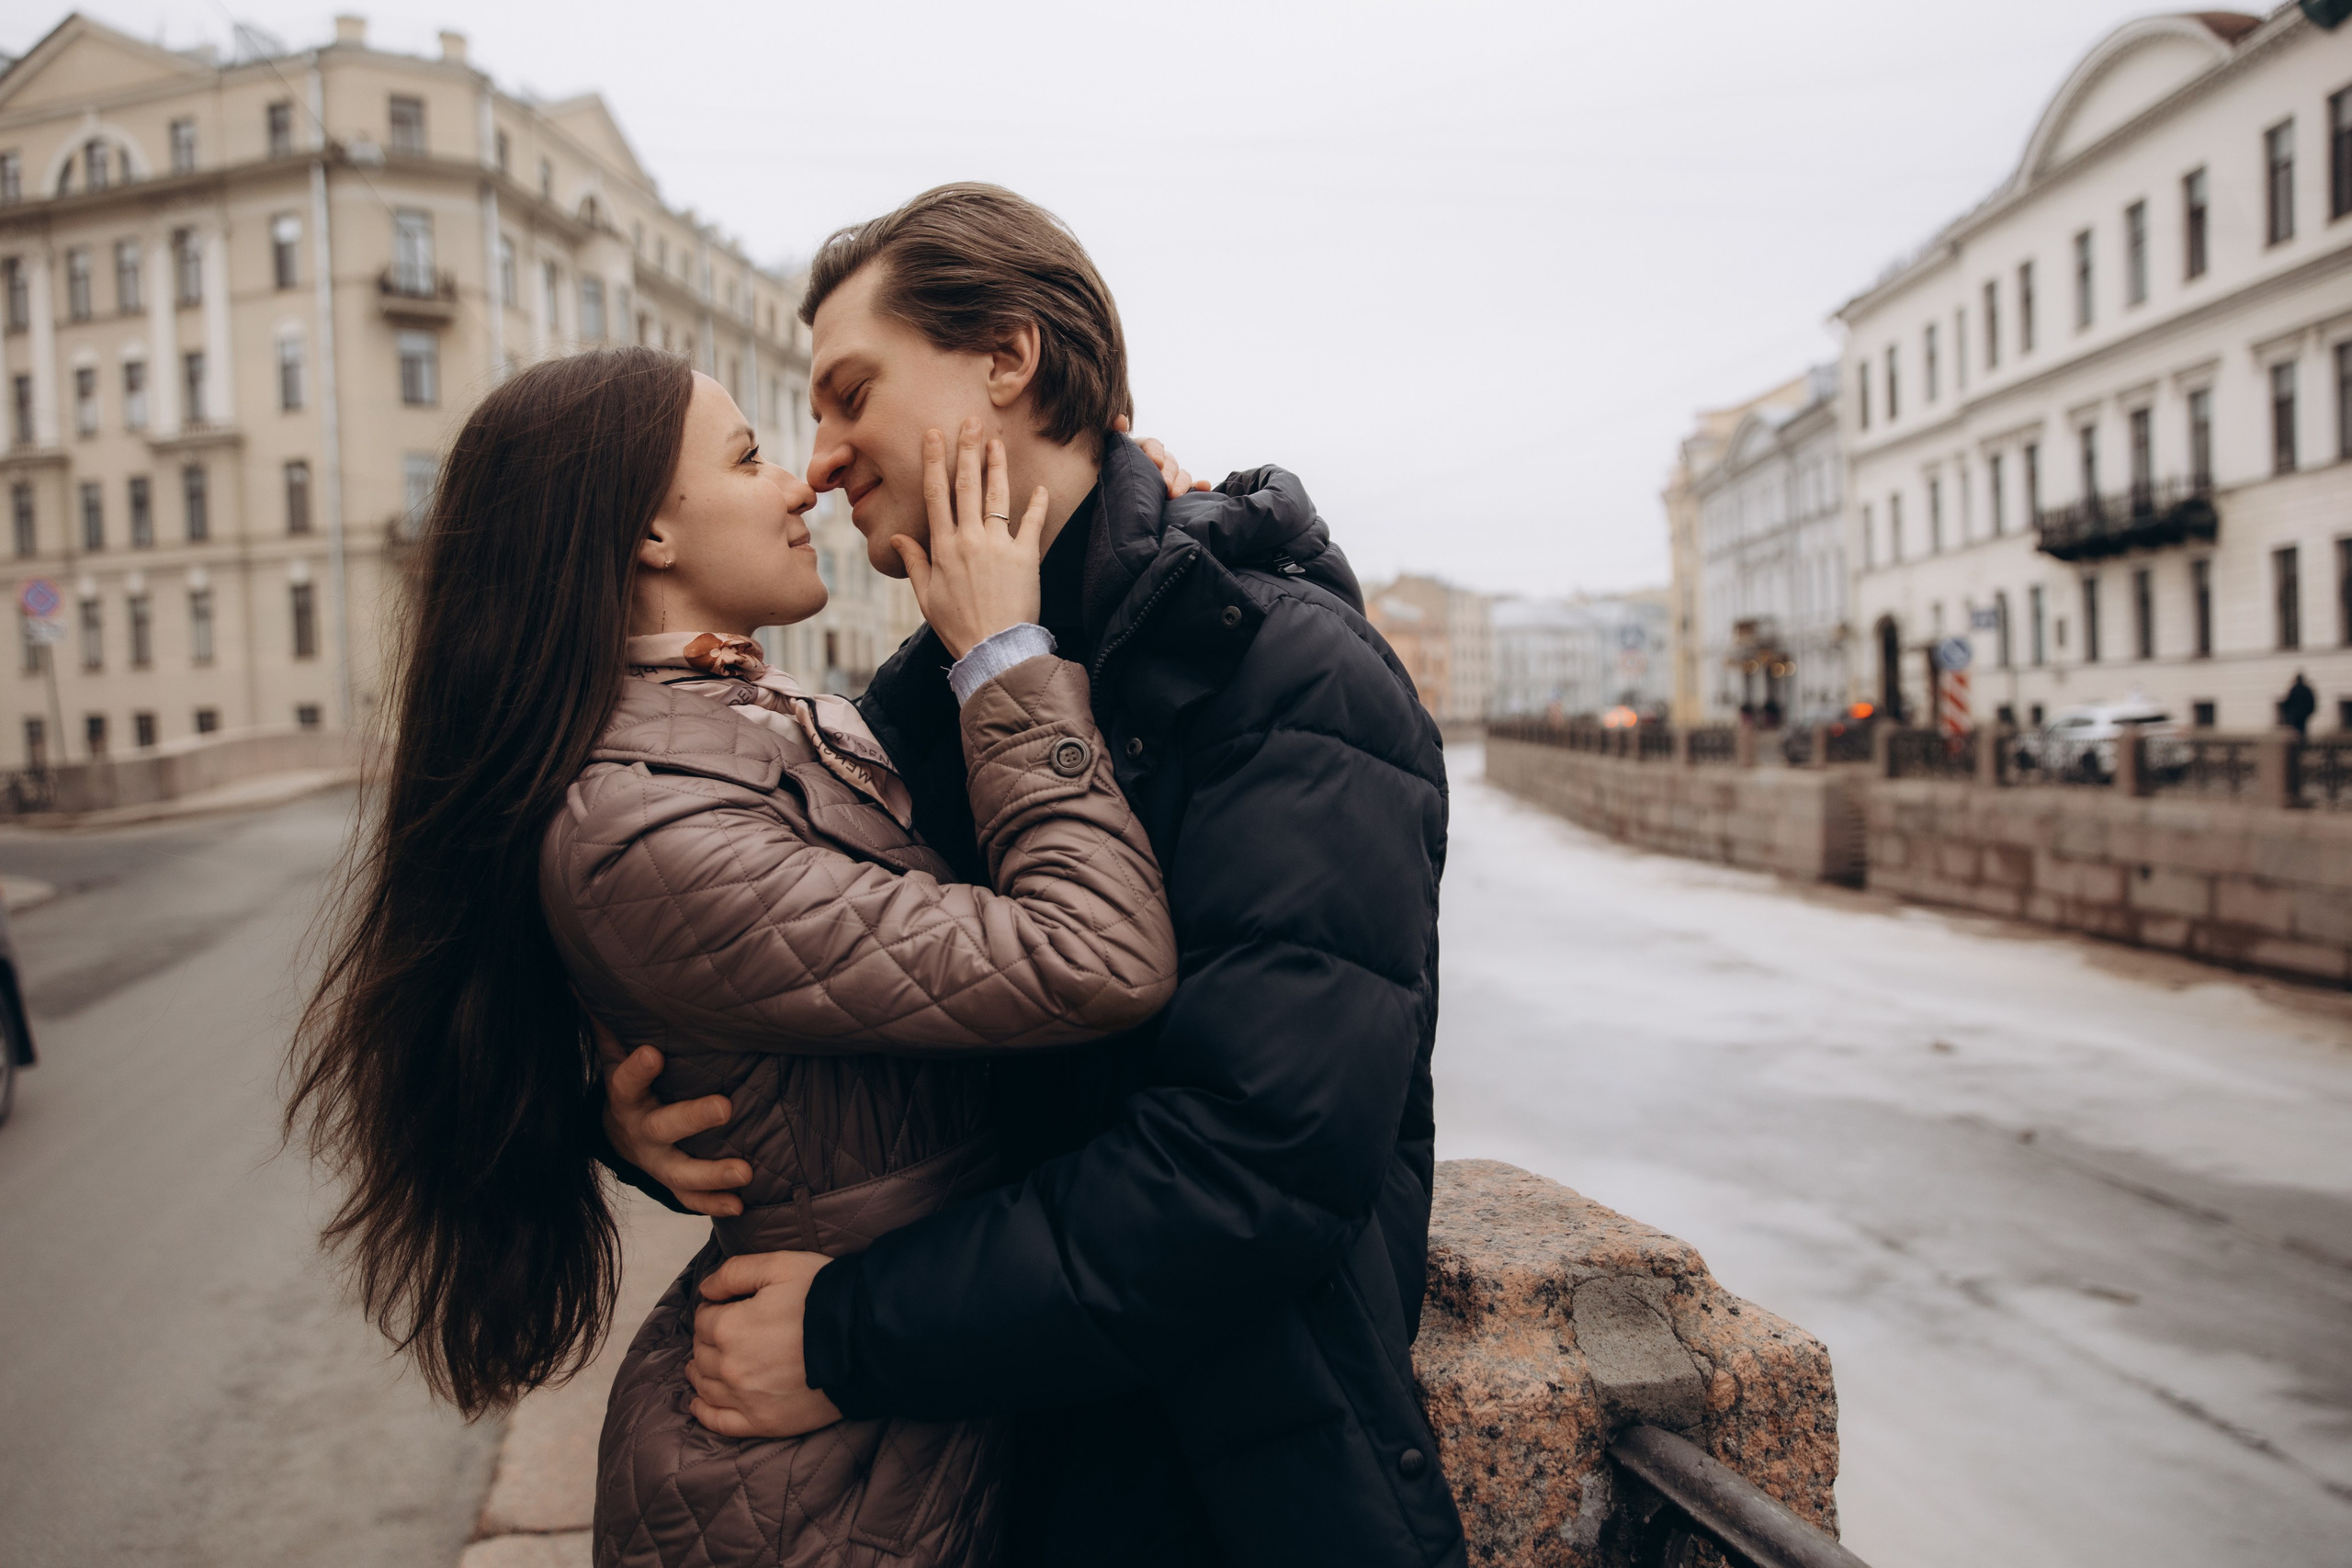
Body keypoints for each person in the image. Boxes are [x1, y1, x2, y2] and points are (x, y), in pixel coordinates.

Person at [603, 185, 1464, 1567]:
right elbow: (778, 982)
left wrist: (847, 1334)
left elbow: (1255, 1168)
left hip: (1225, 1490)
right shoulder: (922, 704)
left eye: (850, 395)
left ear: (1009, 358)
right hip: (983, 1474)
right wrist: (621, 1107)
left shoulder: (1293, 676)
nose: (820, 462)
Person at [287, 346, 1203, 1568]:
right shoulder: (643, 825)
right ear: (648, 532)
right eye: (749, 456)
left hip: (888, 1401)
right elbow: (1095, 955)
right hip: (803, 1492)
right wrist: (1005, 660)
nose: (799, 482)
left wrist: (1108, 520)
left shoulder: (746, 721)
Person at [2280, 671, 2316, 737]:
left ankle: (2298, 740)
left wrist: (2286, 710)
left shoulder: (2294, 689)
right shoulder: (2306, 689)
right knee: (2302, 728)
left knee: (2297, 729)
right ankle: (2302, 739)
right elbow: (2311, 701)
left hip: (2296, 713)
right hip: (2304, 713)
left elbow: (2288, 701)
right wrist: (2310, 711)